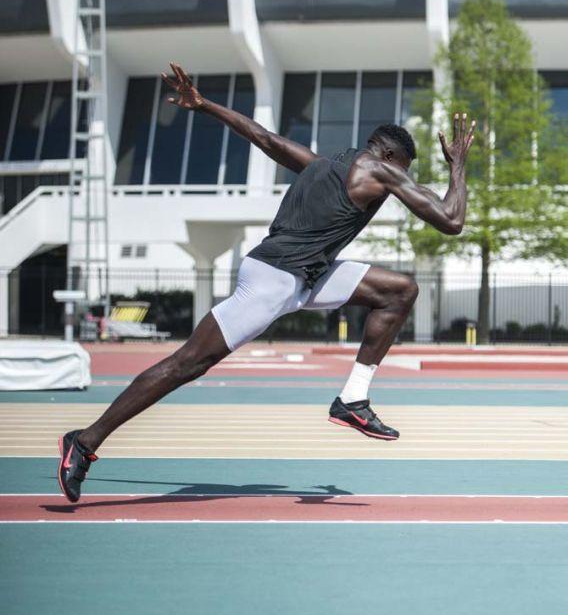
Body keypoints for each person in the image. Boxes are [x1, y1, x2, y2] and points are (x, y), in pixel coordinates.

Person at [57, 62, 475, 502]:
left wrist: (204, 105)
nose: (400, 182)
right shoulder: (381, 169)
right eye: (403, 171)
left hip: (307, 276)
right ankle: (84, 441)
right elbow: (451, 220)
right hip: (275, 280)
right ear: (390, 158)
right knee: (187, 364)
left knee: (399, 290)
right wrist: (459, 167)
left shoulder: (325, 164)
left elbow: (264, 137)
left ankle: (353, 399)